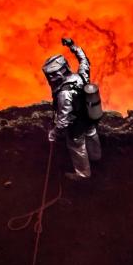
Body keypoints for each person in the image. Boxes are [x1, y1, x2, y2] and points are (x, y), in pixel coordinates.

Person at [42, 37, 102, 180]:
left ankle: (83, 174)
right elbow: (84, 61)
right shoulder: (80, 76)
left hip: (76, 126)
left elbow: (63, 121)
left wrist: (54, 134)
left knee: (76, 146)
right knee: (92, 133)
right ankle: (96, 156)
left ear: (57, 75)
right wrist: (73, 46)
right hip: (89, 116)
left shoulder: (64, 93)